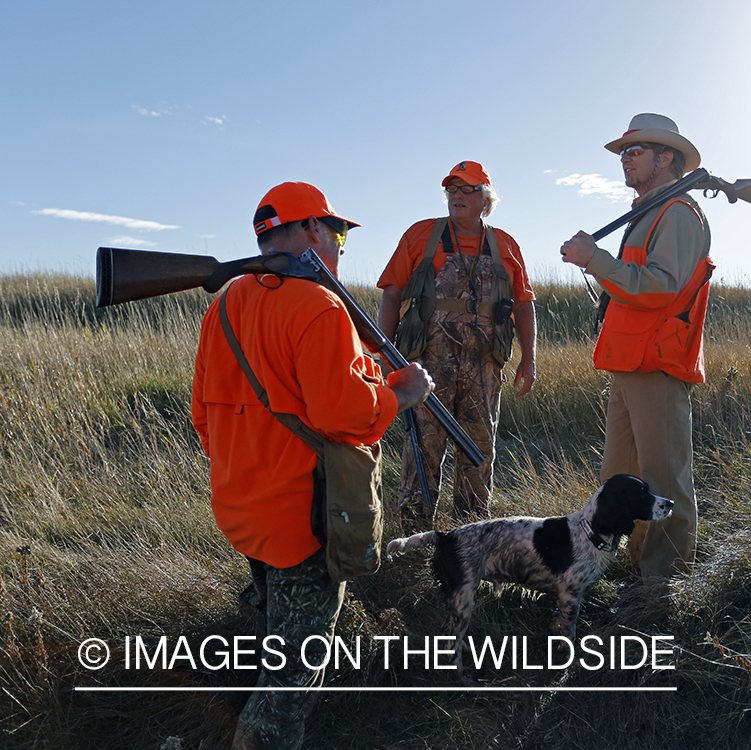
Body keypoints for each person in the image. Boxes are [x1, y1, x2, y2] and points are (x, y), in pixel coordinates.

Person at [191, 181, 433, 749]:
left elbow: (204, 416)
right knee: (291, 685)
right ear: (309, 231)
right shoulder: (320, 305)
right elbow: (344, 415)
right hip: (303, 521)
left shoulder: (225, 303)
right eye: (337, 230)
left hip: (242, 512)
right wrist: (403, 395)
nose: (342, 244)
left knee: (276, 632)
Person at [559, 114, 713, 579]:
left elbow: (661, 287)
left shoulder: (678, 214)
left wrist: (597, 260)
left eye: (635, 151)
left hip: (659, 364)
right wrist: (599, 264)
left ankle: (661, 588)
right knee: (620, 481)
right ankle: (633, 573)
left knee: (664, 485)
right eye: (624, 152)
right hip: (631, 364)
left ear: (665, 158)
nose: (624, 160)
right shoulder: (650, 212)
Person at [377, 161, 536, 532]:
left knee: (478, 452)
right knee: (423, 452)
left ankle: (471, 538)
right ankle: (416, 541)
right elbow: (391, 294)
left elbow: (524, 304)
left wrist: (529, 358)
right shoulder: (421, 236)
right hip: (425, 368)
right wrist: (384, 352)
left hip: (484, 367)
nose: (457, 196)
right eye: (452, 189)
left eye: (467, 189)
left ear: (486, 199)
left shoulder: (505, 245)